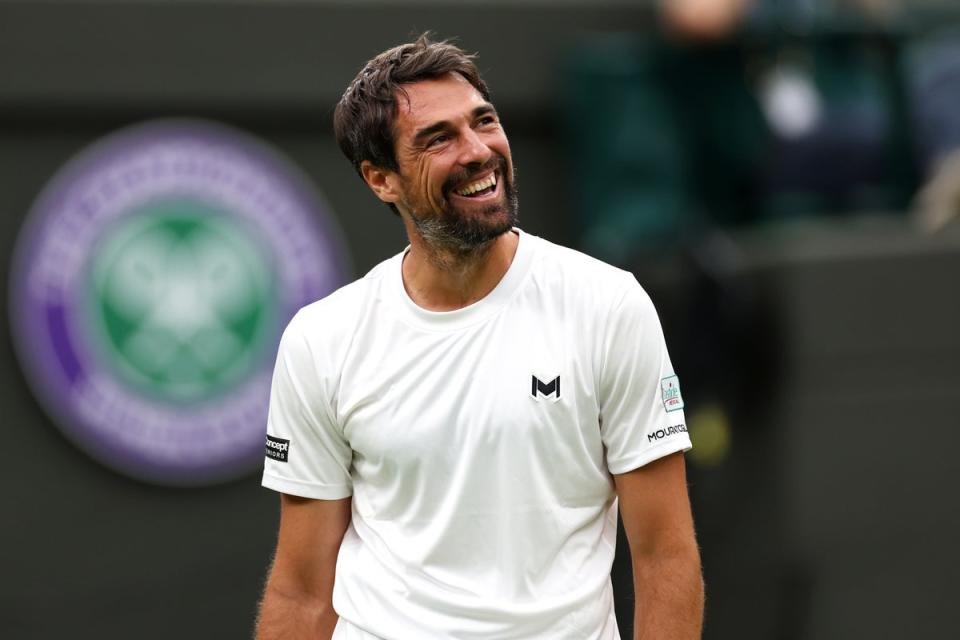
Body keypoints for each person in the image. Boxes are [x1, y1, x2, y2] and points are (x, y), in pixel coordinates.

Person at [256, 34, 703, 640]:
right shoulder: (321, 339)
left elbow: (665, 557)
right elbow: (302, 591)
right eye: (438, 139)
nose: (478, 151)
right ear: (381, 180)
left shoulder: (608, 305)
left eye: (483, 122)